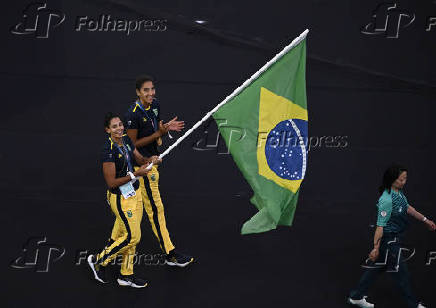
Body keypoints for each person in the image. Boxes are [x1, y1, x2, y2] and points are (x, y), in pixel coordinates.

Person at [124, 74, 194, 267]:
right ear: (138, 92)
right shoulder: (132, 114)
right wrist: (158, 135)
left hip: (153, 162)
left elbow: (157, 126)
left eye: (152, 89)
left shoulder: (155, 105)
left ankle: (108, 254)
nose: (150, 93)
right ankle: (170, 253)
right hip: (142, 167)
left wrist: (165, 127)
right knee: (155, 209)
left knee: (139, 212)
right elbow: (132, 144)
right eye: (146, 90)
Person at [348, 164, 436, 308]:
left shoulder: (399, 193)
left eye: (405, 178)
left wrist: (425, 220)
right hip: (388, 240)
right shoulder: (386, 200)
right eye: (401, 180)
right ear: (392, 180)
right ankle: (413, 305)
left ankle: (356, 296)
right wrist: (375, 248)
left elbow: (408, 208)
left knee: (376, 268)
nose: (404, 182)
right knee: (402, 274)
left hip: (395, 237)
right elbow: (380, 226)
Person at [87, 112, 158, 288]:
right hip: (120, 198)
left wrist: (151, 161)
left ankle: (126, 275)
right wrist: (135, 174)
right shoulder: (108, 150)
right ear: (107, 130)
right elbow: (111, 183)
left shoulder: (126, 140)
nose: (119, 128)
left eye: (120, 125)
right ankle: (99, 261)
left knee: (131, 234)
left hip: (135, 192)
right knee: (133, 236)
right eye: (114, 126)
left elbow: (139, 159)